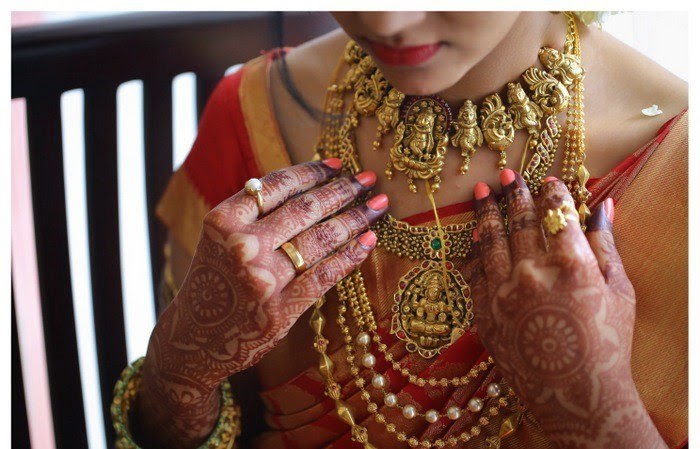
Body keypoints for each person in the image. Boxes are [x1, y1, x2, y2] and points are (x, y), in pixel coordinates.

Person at [110, 12, 688, 449]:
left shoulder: (678, 171)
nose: (385, 18)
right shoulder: (252, 113)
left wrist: (595, 412)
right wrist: (181, 368)